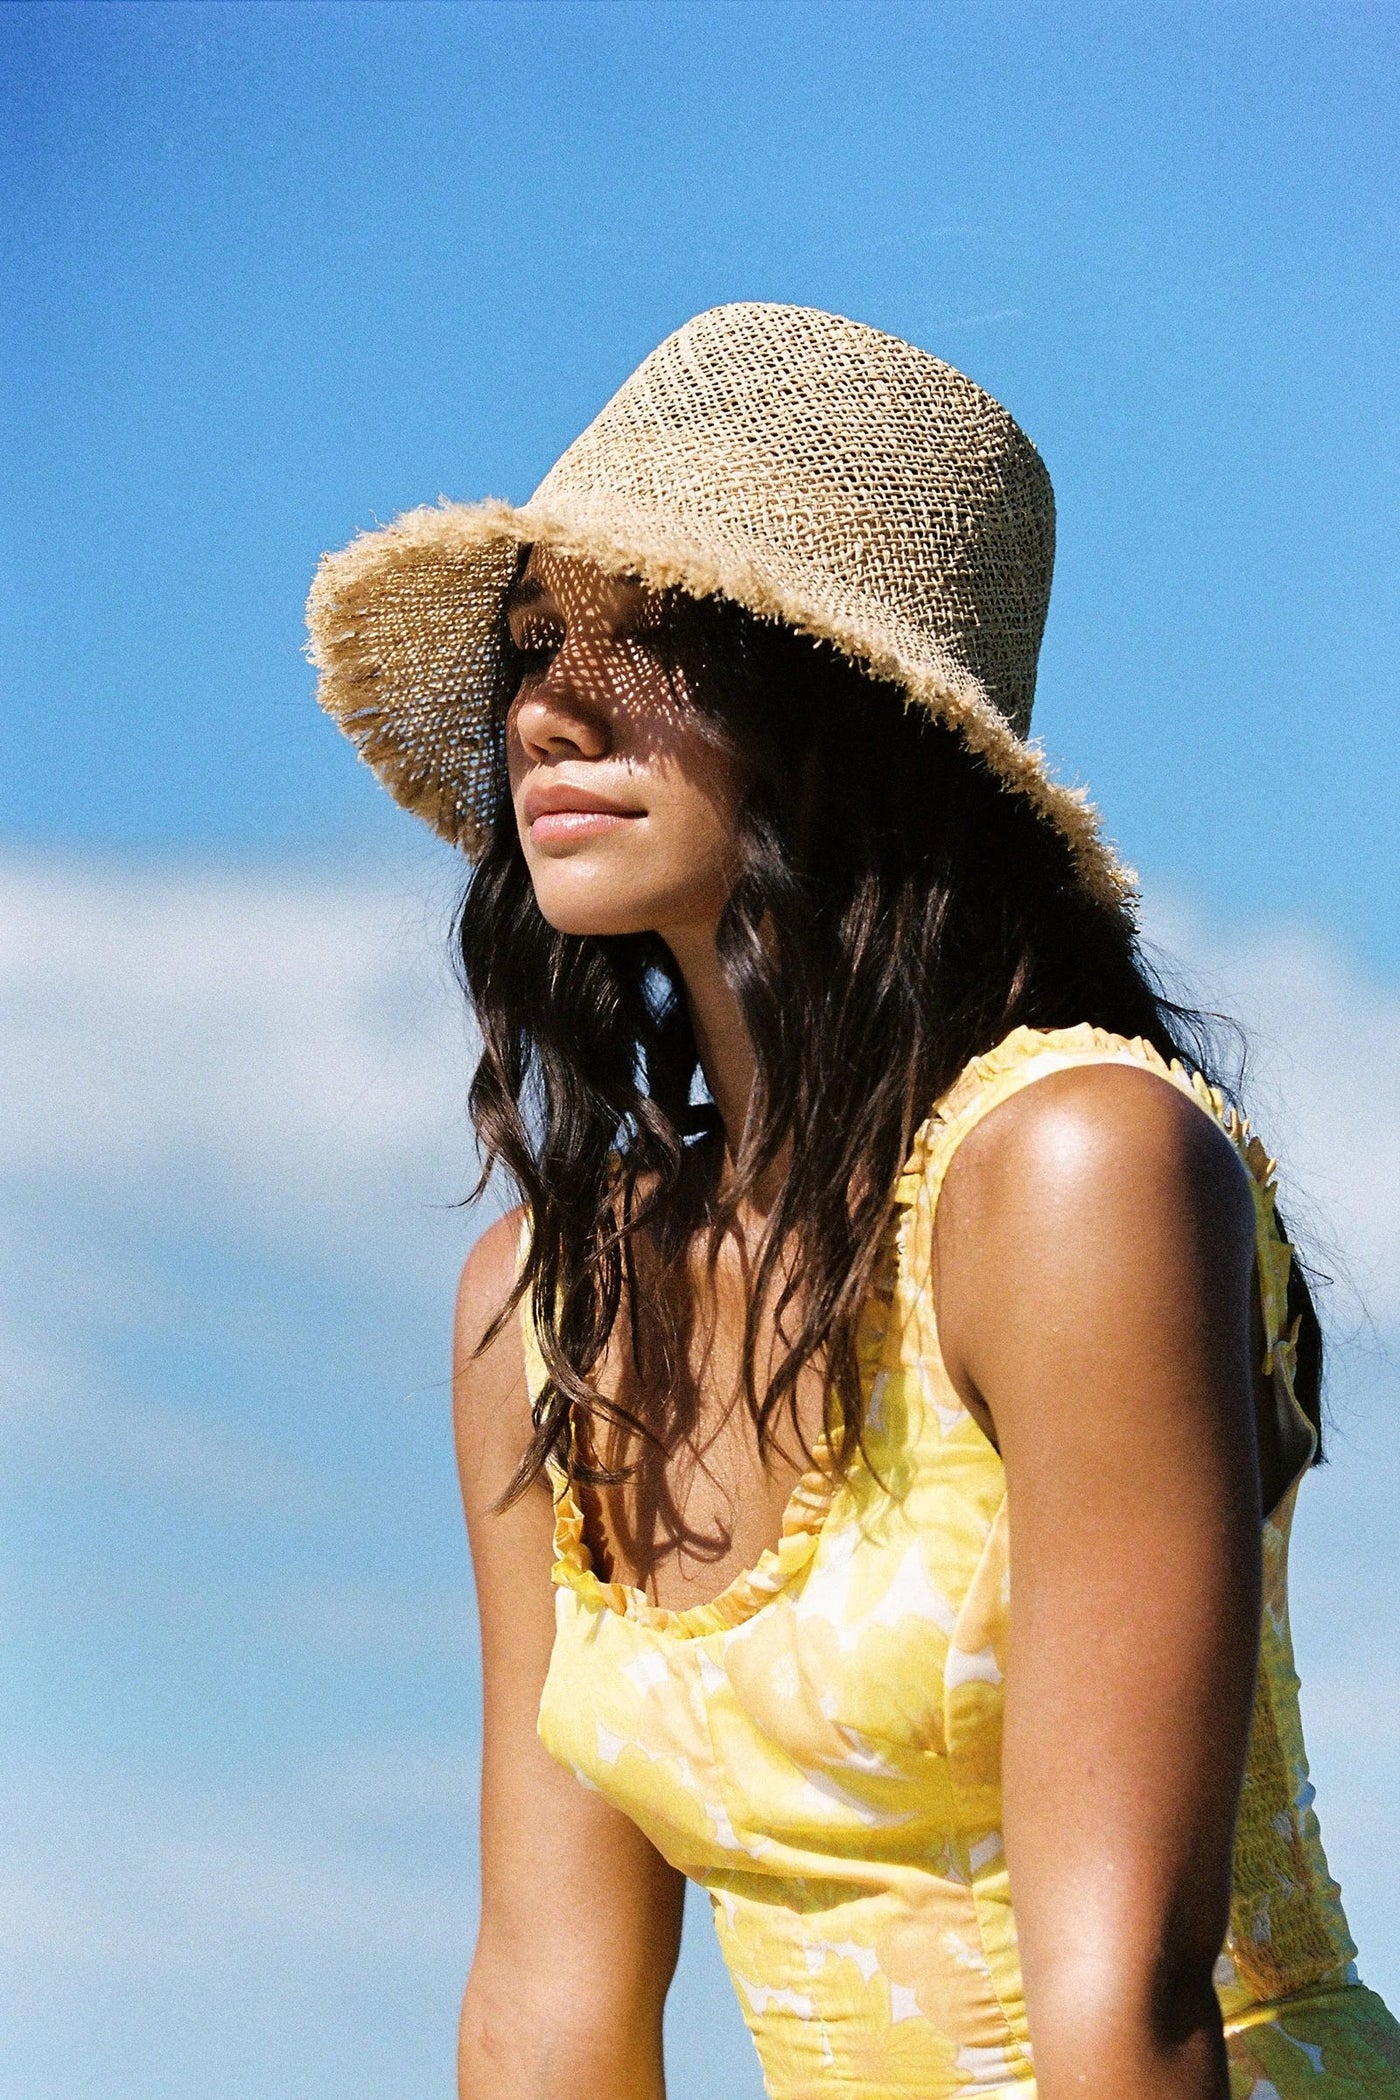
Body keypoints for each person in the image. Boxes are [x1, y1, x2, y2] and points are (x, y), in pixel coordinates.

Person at [307, 304, 1400, 2100]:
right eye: (533, 640)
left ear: (851, 713)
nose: (549, 706)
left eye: (658, 632)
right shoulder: (540, 1306)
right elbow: (548, 2006)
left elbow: (1126, 2009)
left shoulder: (1073, 1167)